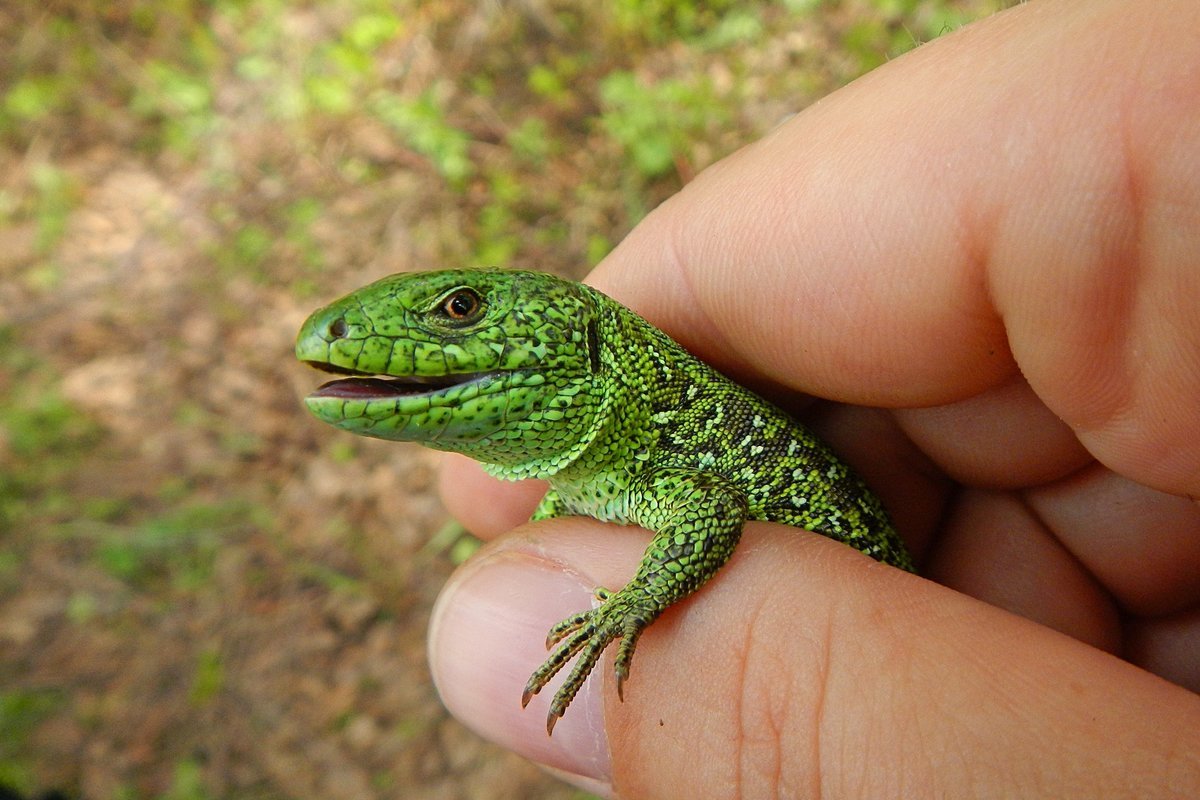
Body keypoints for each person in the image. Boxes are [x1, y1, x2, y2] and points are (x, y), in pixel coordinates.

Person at [428, 0, 1200, 795]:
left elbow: (704, 517)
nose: (450, 326)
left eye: (458, 310)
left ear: (575, 340)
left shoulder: (653, 453)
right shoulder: (588, 482)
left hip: (901, 629)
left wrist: (627, 613)